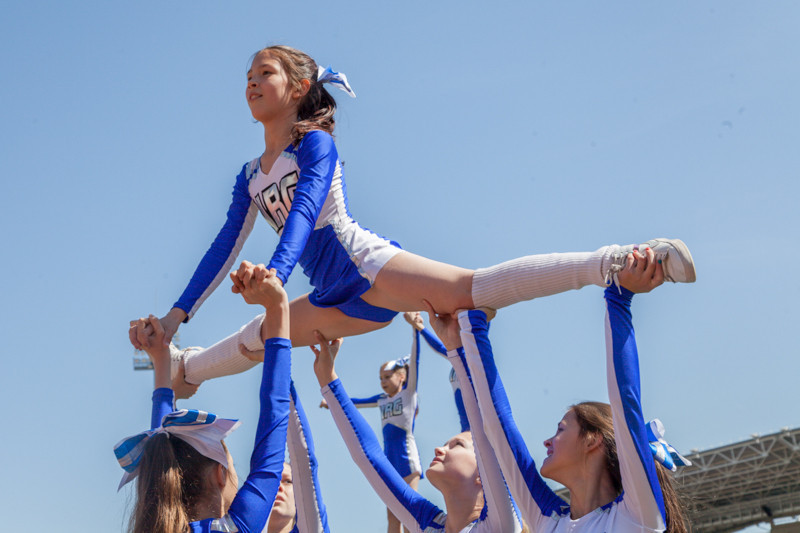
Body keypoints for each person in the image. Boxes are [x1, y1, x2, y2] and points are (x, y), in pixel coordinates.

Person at [128, 44, 696, 378]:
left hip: (369, 268)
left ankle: (618, 260)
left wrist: (274, 271)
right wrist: (175, 319)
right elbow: (222, 247)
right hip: (334, 296)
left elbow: (303, 210)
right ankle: (186, 370)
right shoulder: (249, 177)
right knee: (261, 336)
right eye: (247, 78)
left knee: (473, 287)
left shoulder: (315, 144)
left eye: (265, 74)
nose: (251, 82)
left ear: (301, 86)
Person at [449, 249, 690, 532]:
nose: (547, 442)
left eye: (560, 430)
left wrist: (620, 296)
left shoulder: (636, 516)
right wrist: (469, 328)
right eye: (560, 429)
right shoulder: (550, 520)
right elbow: (501, 428)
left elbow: (626, 408)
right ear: (592, 440)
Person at [115, 264, 292, 533]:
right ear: (219, 475)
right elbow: (161, 437)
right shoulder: (233, 528)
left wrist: (277, 307)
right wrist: (160, 357)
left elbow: (274, 420)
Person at [311, 324, 523, 532]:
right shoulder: (430, 525)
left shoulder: (501, 522)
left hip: (408, 456)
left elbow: (498, 424)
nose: (439, 449)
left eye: (457, 445)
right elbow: (369, 458)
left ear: (484, 473)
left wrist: (470, 328)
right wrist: (327, 378)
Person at [319, 311, 424, 533]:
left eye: (387, 377)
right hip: (390, 462)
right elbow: (354, 403)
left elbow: (415, 361)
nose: (383, 382)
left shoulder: (408, 394)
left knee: (410, 518)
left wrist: (416, 329)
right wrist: (331, 400)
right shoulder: (382, 400)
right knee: (393, 519)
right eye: (380, 379)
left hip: (408, 461)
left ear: (402, 377)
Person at [404, 311, 469, 432]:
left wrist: (419, 327)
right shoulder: (459, 357)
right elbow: (441, 348)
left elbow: (440, 348)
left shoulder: (471, 355)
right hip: (467, 427)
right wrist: (417, 326)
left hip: (481, 425)